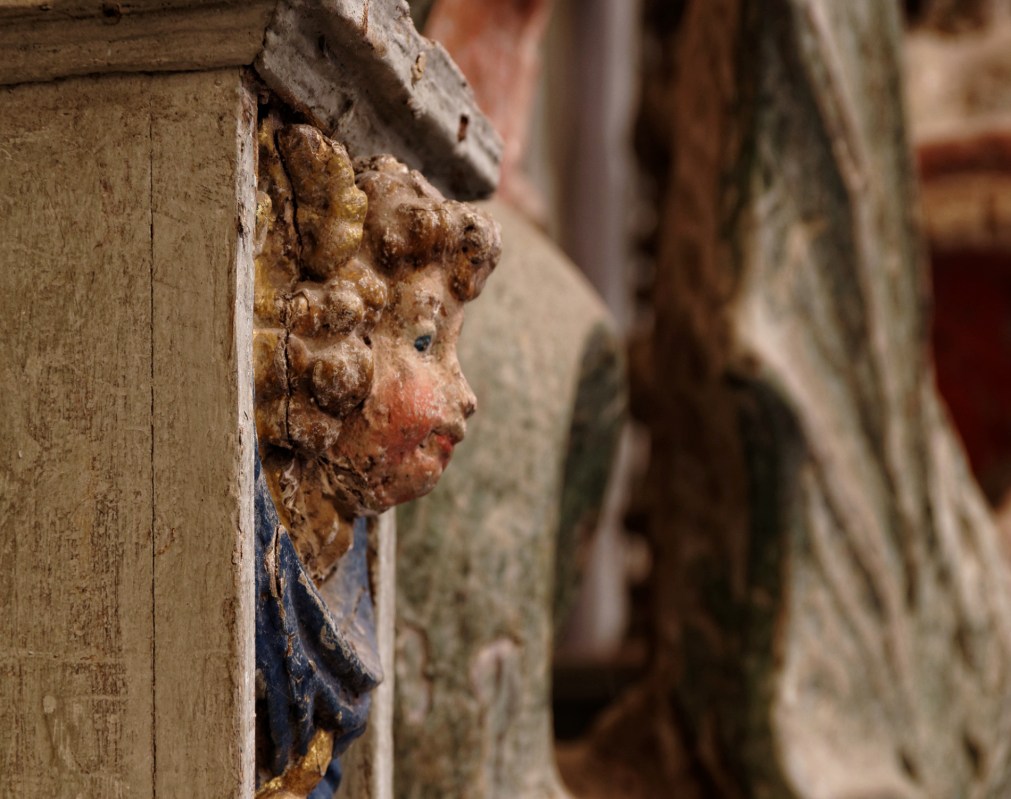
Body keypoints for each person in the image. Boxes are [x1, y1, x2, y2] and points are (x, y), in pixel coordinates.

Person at [252, 120, 500, 798]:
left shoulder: (347, 528)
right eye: (424, 344)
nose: (466, 393)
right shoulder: (252, 525)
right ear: (340, 335)